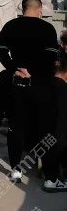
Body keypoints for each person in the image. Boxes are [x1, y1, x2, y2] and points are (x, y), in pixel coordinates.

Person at [0, 0, 58, 183]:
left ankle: (16, 170)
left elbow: (1, 51)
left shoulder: (10, 26)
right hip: (41, 84)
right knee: (44, 127)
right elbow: (51, 57)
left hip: (17, 83)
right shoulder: (47, 28)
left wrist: (15, 69)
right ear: (40, 10)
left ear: (22, 9)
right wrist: (33, 71)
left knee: (16, 127)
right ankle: (47, 173)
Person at [41, 32, 67, 191]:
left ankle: (51, 177)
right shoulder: (62, 88)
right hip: (57, 133)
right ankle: (52, 180)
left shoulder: (47, 85)